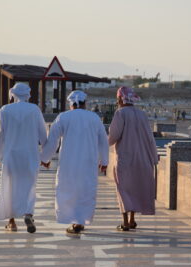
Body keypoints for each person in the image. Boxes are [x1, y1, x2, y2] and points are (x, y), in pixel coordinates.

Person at [41, 90, 109, 234]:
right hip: (88, 162)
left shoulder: (63, 117)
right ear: (85, 103)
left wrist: (45, 159)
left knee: (68, 190)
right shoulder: (94, 118)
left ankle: (73, 221)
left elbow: (53, 140)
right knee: (85, 191)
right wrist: (104, 161)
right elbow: (103, 141)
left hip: (68, 163)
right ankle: (80, 221)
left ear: (70, 104)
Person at [0, 83, 47, 233]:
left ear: (13, 94)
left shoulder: (5, 110)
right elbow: (43, 135)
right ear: (28, 95)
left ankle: (12, 222)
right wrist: (46, 157)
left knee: (10, 186)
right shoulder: (34, 110)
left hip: (11, 156)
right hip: (30, 155)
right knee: (29, 186)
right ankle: (28, 213)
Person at [108, 87, 158, 231]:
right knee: (135, 188)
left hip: (125, 159)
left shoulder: (120, 114)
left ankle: (125, 222)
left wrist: (101, 146)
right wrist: (154, 158)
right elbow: (150, 138)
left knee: (123, 189)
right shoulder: (142, 114)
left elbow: (113, 136)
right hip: (143, 159)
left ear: (120, 99)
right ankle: (132, 219)